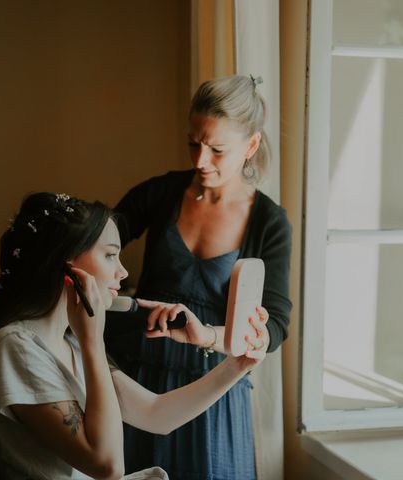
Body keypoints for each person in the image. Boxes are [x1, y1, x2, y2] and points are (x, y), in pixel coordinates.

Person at [0, 192, 268, 480]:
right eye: (111, 254)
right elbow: (107, 467)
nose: (123, 272)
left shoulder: (67, 340)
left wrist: (237, 366)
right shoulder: (16, 348)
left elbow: (157, 414)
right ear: (68, 265)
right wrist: (93, 340)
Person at [105, 74, 292, 479]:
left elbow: (276, 321)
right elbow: (96, 241)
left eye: (217, 149)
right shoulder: (160, 193)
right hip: (142, 380)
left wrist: (240, 336)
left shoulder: (269, 221)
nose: (200, 160)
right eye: (194, 143)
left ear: (251, 145)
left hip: (214, 390)